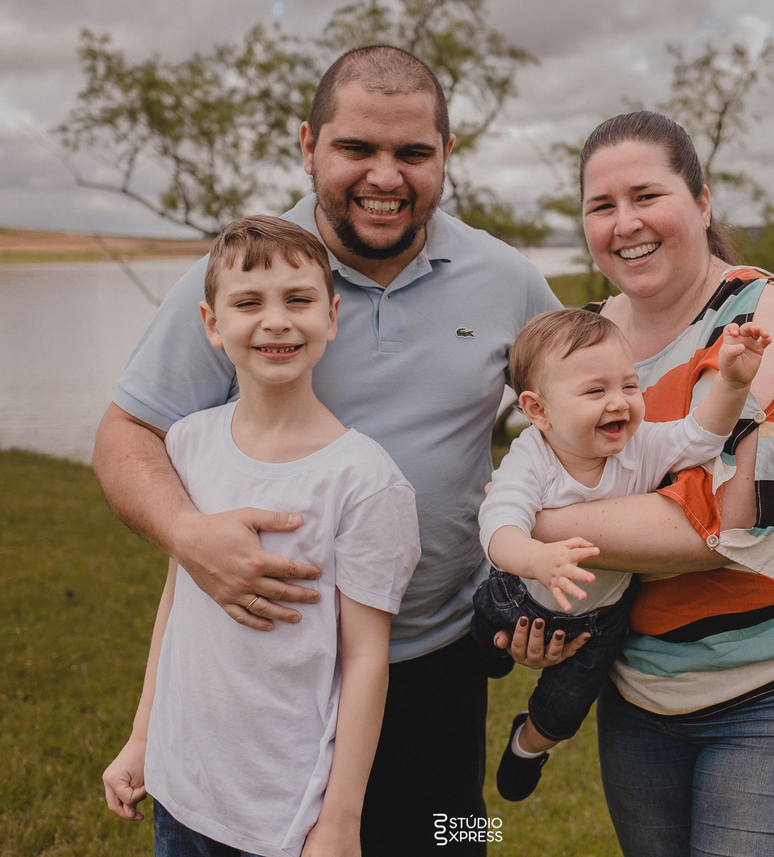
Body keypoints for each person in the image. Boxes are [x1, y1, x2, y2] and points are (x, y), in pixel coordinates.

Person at [90, 45, 561, 855]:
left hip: (439, 654)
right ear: (308, 145)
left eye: (413, 152)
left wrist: (535, 578)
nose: (386, 175)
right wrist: (189, 535)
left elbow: (582, 420)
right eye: (357, 149)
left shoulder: (507, 278)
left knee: (457, 832)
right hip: (266, 666)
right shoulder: (244, 276)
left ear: (446, 155)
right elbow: (125, 433)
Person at [506, 111, 774, 856]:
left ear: (701, 200)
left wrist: (536, 530)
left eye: (646, 195)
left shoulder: (770, 319)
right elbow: (523, 461)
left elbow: (746, 519)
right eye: (602, 206)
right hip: (643, 697)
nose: (624, 223)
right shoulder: (585, 336)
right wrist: (541, 597)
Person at [102, 216, 421, 856]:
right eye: (249, 302)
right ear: (212, 324)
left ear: (331, 316)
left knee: (450, 831)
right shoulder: (188, 444)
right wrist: (143, 737)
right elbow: (176, 604)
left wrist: (341, 822)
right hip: (180, 786)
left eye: (298, 300)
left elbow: (363, 660)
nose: (276, 321)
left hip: (280, 812)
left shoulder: (365, 482)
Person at [471, 308, 771, 802]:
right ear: (538, 410)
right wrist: (535, 559)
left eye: (629, 386)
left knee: (564, 710)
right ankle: (492, 653)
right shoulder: (533, 458)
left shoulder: (641, 445)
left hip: (600, 617)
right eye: (596, 391)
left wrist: (733, 383)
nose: (620, 403)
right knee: (488, 635)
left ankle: (528, 744)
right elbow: (498, 524)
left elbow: (700, 437)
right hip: (520, 595)